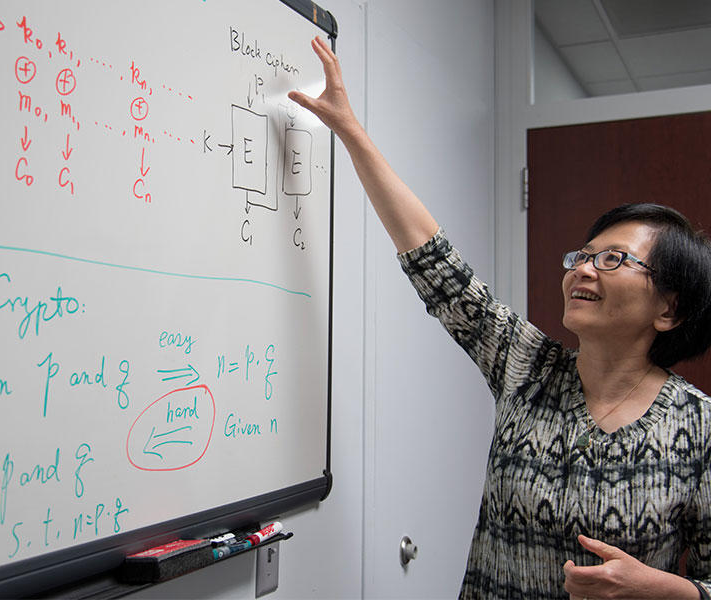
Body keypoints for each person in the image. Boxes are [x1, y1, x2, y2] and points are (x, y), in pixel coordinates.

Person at [289, 36, 711, 599]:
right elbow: (435, 262)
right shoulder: (528, 369)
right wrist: (351, 132)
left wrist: (665, 589)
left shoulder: (699, 427)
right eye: (582, 256)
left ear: (669, 308)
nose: (584, 269)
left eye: (613, 260)